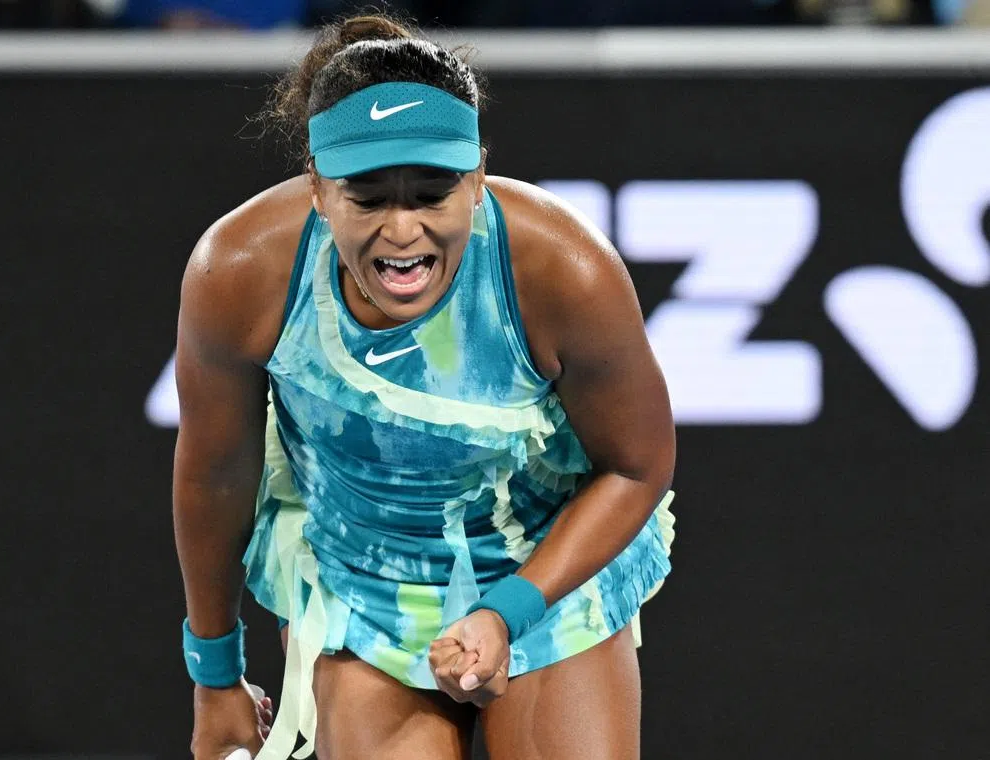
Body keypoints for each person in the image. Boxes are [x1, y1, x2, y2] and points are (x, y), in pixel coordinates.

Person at [172, 14, 677, 760]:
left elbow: (637, 466)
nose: (402, 231)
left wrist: (507, 610)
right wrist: (215, 677)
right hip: (362, 583)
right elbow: (216, 477)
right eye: (368, 198)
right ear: (316, 187)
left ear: (477, 180)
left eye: (431, 194)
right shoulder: (237, 273)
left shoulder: (564, 270)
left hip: (543, 572)